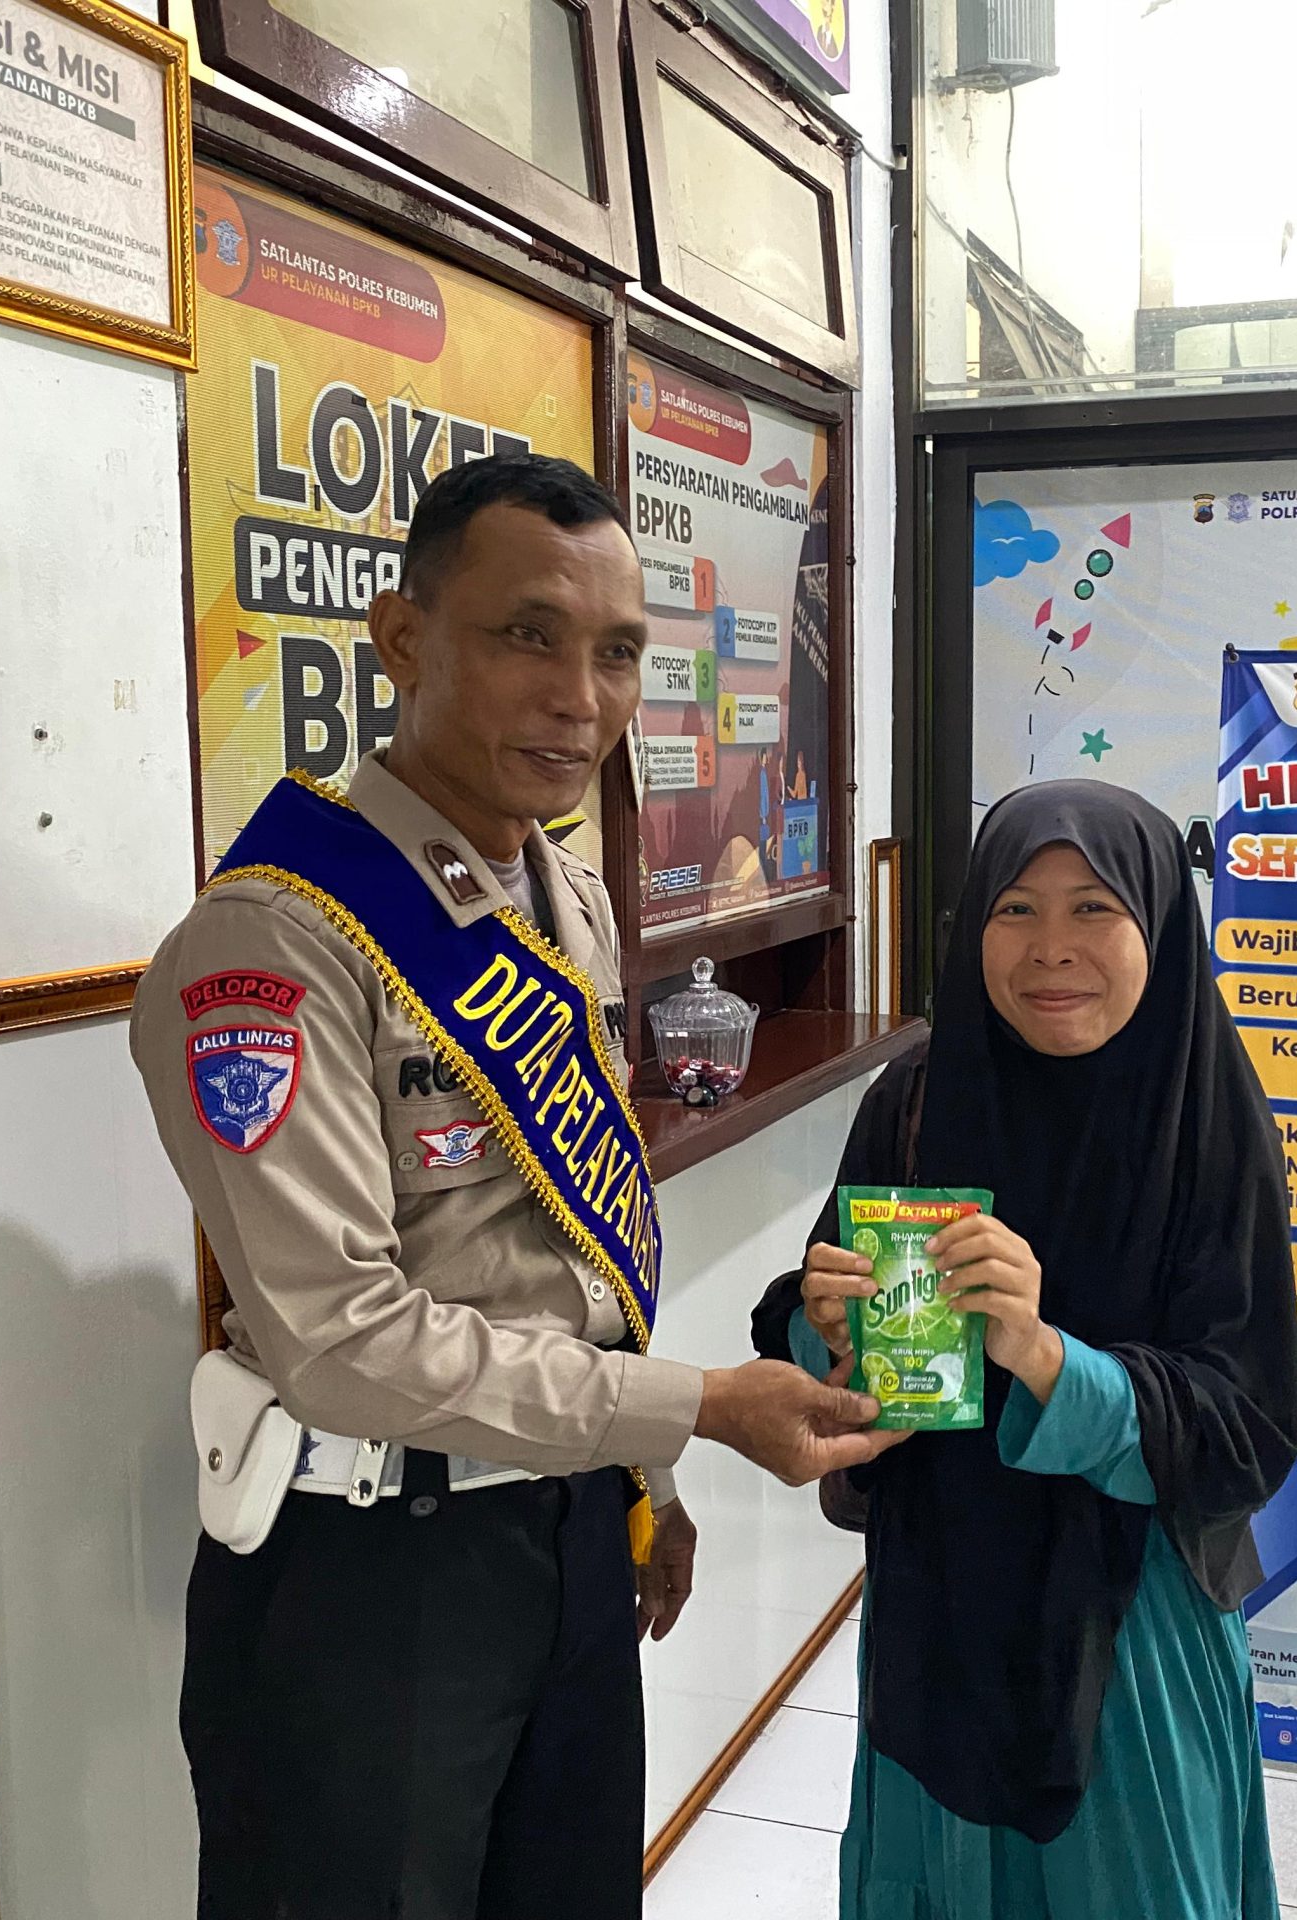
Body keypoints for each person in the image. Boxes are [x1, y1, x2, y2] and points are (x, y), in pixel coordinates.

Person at [131, 453, 898, 1920]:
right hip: (370, 1578)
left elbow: (567, 1245)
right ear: (404, 640)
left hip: (564, 1536)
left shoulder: (567, 897)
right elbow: (341, 1340)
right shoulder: (275, 943)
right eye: (527, 636)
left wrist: (641, 1482)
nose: (579, 699)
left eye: (616, 654)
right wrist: (694, 1410)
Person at [751, 780, 1297, 1918]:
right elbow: (814, 1325)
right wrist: (827, 1328)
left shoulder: (1203, 1121)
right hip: (939, 1603)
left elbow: (1245, 1422)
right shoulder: (917, 1098)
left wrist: (1050, 1358)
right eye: (1016, 909)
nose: (1052, 948)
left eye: (1094, 908)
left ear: (1159, 924)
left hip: (1129, 1631)